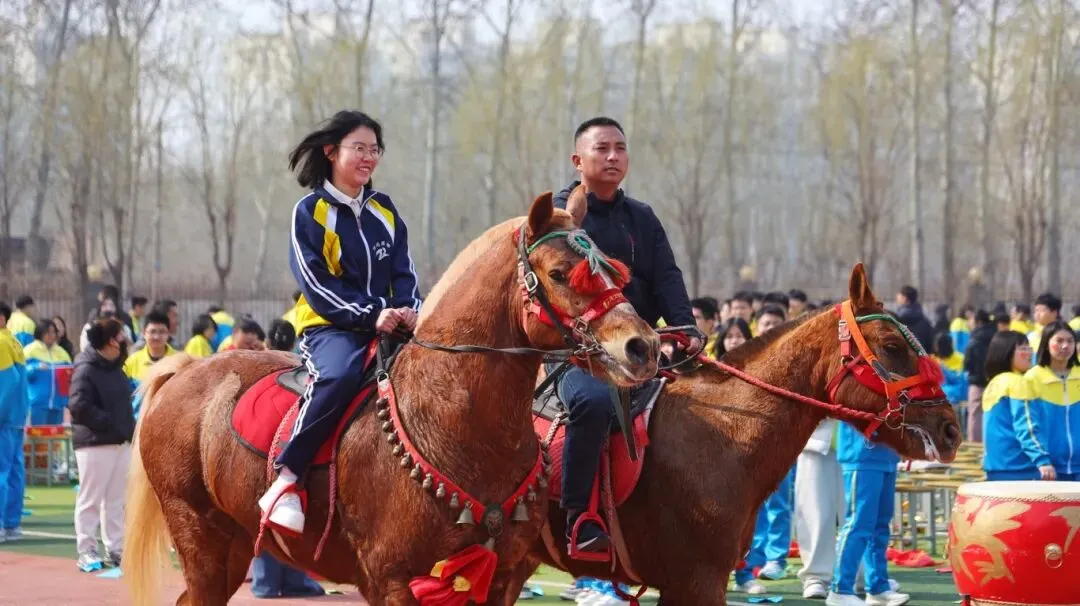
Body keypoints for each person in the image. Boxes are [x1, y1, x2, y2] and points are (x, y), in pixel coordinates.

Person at [258, 110, 423, 535]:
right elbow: (316, 285)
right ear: (331, 152)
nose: (368, 158)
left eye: (375, 150)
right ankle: (287, 478)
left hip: (392, 323)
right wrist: (372, 314)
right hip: (331, 328)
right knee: (339, 376)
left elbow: (404, 272)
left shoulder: (385, 210)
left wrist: (408, 308)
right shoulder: (310, 211)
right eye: (359, 149)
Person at [551, 116, 701, 553]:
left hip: (640, 350)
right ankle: (579, 517)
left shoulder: (643, 217)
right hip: (575, 354)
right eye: (602, 148)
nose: (613, 156)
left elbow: (667, 277)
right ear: (578, 160)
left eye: (620, 148)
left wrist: (685, 327)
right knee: (594, 401)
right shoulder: (561, 219)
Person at [68, 317, 135, 570]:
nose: (125, 341)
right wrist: (111, 423)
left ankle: (116, 548)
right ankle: (86, 550)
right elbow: (79, 407)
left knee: (116, 500)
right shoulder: (86, 368)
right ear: (111, 340)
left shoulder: (115, 368)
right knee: (90, 500)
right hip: (95, 444)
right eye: (121, 336)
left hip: (119, 442)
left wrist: (125, 428)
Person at [826, 421, 910, 606]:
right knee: (859, 523)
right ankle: (840, 589)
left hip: (888, 455)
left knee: (880, 526)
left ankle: (878, 588)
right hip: (861, 453)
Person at [981, 331, 1051, 481]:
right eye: (1023, 349)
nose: (1029, 353)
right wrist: (1042, 460)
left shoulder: (994, 383)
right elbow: (1026, 425)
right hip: (1021, 468)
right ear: (1006, 353)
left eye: (1029, 348)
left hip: (996, 467)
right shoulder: (1018, 382)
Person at [1025, 321, 1080, 481]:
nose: (1065, 346)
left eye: (1070, 341)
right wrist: (1041, 460)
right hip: (1048, 470)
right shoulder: (1032, 378)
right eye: (1059, 341)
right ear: (1046, 343)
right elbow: (1028, 425)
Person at [0, 302, 28, 544]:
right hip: (16, 417)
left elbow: (8, 381)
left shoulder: (0, 341)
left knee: (2, 471)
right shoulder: (12, 340)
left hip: (4, 418)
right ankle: (12, 524)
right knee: (14, 471)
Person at [123, 311, 176, 418]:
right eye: (152, 332)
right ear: (144, 333)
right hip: (138, 424)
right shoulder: (132, 362)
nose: (156, 336)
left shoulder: (178, 361)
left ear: (168, 333)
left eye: (161, 332)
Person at [24, 318, 73, 426]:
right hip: (37, 404)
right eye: (48, 332)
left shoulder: (62, 352)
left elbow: (70, 375)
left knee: (55, 439)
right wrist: (35, 367)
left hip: (58, 404)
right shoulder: (29, 351)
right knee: (38, 438)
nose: (51, 335)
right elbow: (22, 373)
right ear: (40, 332)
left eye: (53, 332)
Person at [894, 286, 933, 352]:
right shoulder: (924, 320)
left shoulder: (897, 319)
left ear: (905, 298)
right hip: (921, 357)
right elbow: (930, 344)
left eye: (899, 295)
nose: (897, 297)